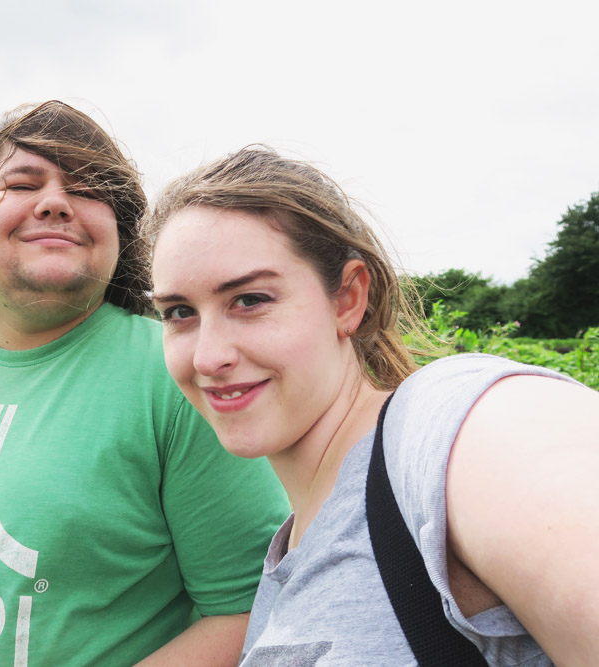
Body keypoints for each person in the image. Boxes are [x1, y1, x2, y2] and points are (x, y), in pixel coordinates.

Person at [0, 103, 289, 666]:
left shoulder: (182, 375)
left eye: (90, 190)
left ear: (122, 231)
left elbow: (247, 610)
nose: (54, 202)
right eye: (22, 183)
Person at [143, 145, 599, 666]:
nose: (208, 356)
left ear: (347, 300)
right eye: (179, 312)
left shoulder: (450, 432)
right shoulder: (287, 562)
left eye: (250, 300)